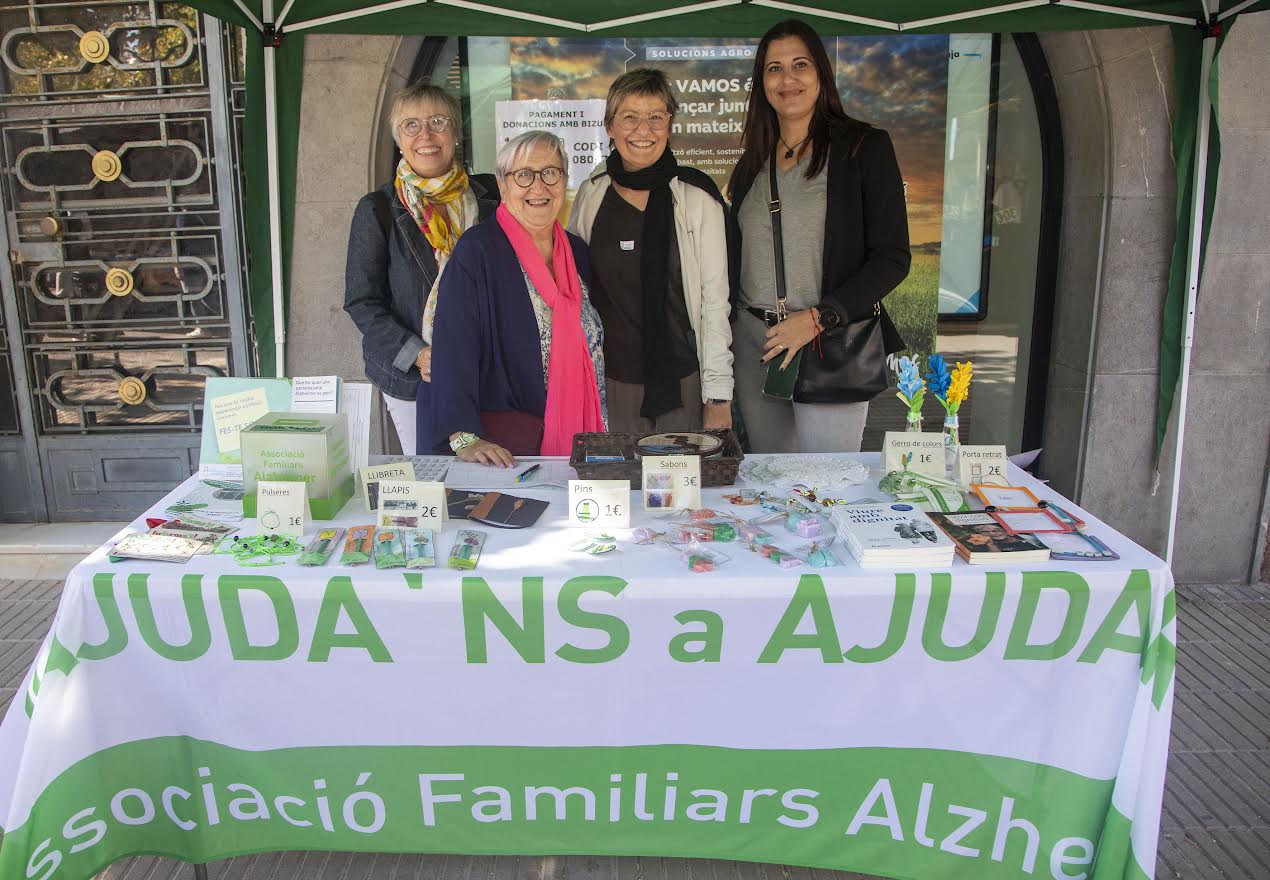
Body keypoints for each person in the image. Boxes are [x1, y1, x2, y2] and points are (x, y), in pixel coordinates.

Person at [728, 19, 910, 453]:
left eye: (800, 64)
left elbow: (892, 258)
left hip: (827, 342)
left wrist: (815, 319)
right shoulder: (753, 162)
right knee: (769, 478)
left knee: (827, 482)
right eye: (774, 68)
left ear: (821, 73)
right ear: (761, 83)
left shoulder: (863, 148)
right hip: (756, 345)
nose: (787, 79)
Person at [423, 131, 607, 465]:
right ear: (503, 185)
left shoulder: (577, 252)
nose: (539, 186)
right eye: (523, 175)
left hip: (581, 440)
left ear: (564, 180)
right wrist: (464, 439)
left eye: (550, 172)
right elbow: (453, 350)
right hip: (511, 452)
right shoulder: (477, 252)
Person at [568, 68, 733, 433]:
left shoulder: (696, 197)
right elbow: (575, 293)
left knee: (680, 472)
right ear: (610, 127)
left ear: (669, 125)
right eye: (630, 117)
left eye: (656, 117)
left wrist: (718, 397)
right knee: (615, 472)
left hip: (681, 385)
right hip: (608, 385)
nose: (643, 130)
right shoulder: (592, 194)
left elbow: (714, 303)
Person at [344, 80, 498, 454]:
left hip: (486, 370)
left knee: (488, 471)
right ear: (399, 139)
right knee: (433, 475)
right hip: (417, 377)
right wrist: (418, 354)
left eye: (437, 122)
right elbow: (362, 302)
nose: (425, 135)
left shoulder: (491, 196)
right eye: (411, 125)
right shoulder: (378, 209)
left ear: (455, 133)